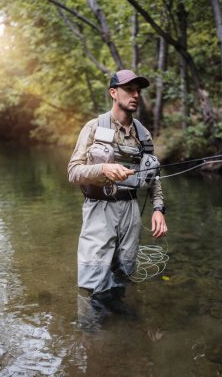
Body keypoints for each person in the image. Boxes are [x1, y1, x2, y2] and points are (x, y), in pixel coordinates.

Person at [68, 69, 168, 306]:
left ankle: (120, 327)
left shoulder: (143, 134)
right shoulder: (94, 127)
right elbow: (73, 172)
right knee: (93, 281)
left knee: (123, 274)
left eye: (138, 90)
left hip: (131, 211)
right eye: (129, 89)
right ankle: (91, 337)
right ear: (114, 92)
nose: (135, 95)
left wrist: (158, 208)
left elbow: (153, 175)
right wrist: (102, 170)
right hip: (99, 209)